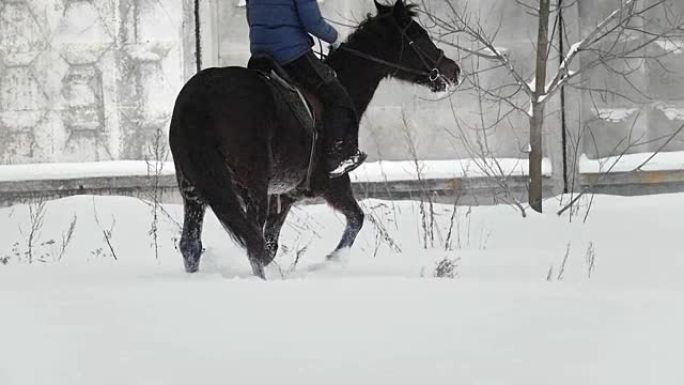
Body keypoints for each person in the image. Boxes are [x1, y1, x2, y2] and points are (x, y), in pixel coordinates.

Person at [246, 0, 367, 177]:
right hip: (291, 54)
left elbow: (251, 17)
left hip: (260, 52)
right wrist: (335, 38)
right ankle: (338, 157)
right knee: (338, 96)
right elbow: (313, 22)